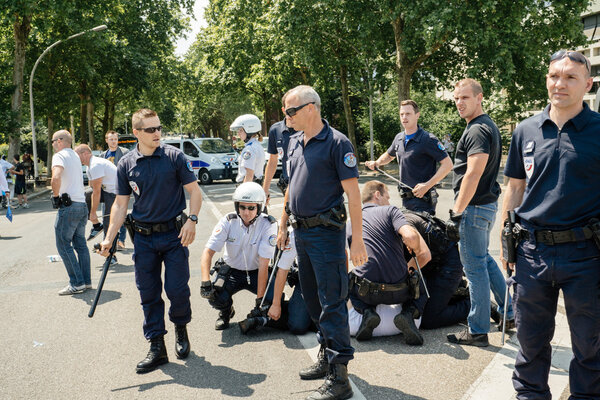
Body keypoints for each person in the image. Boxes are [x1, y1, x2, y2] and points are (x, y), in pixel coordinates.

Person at [501, 50, 600, 400]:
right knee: (530, 342)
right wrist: (506, 239)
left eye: (571, 77)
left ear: (587, 84)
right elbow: (515, 186)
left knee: (590, 346)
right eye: (554, 76)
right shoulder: (525, 129)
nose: (560, 83)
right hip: (532, 253)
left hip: (586, 255)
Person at [277, 85, 368, 400]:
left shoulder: (336, 143)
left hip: (327, 234)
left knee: (332, 302)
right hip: (301, 232)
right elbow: (290, 188)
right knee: (314, 302)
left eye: (291, 111)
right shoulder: (293, 142)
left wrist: (356, 240)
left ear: (311, 107)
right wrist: (282, 224)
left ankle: (339, 377)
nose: (286, 118)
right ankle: (325, 354)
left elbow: (354, 197)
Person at [98, 108, 202, 374]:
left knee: (177, 289)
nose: (157, 133)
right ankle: (157, 346)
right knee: (148, 293)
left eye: (159, 128)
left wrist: (192, 219)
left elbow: (194, 192)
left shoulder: (174, 157)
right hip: (143, 239)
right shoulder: (126, 164)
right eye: (151, 129)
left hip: (174, 235)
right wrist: (109, 238)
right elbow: (121, 206)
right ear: (136, 133)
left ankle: (180, 328)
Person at [446, 78, 513, 347]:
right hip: (484, 205)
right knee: (483, 261)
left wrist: (456, 211)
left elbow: (472, 174)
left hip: (473, 208)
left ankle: (477, 330)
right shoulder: (487, 127)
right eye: (456, 98)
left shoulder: (477, 130)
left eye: (465, 97)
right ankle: (510, 314)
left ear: (479, 97)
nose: (459, 103)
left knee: (474, 269)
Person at [200, 182, 301, 331]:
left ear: (259, 207)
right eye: (242, 207)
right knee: (215, 296)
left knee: (273, 298)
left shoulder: (268, 224)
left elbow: (263, 266)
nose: (246, 212)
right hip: (232, 271)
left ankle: (262, 316)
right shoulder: (228, 221)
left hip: (256, 272)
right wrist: (205, 282)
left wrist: (259, 301)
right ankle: (226, 312)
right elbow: (207, 252)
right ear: (237, 206)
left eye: (251, 208)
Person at [347, 180, 431, 345]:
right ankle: (408, 313)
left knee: (350, 278)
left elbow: (344, 256)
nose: (389, 201)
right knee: (421, 281)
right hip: (399, 289)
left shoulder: (351, 221)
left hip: (366, 292)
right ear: (377, 195)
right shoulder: (390, 211)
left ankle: (367, 312)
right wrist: (411, 246)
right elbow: (411, 237)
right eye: (387, 196)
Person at [365, 99, 453, 215]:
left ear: (417, 115)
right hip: (405, 200)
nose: (404, 117)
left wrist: (427, 185)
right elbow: (389, 155)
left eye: (408, 114)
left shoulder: (428, 139)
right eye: (401, 114)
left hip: (423, 201)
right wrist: (377, 163)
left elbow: (448, 165)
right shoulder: (399, 138)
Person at [402, 209, 470, 329]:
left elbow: (423, 256)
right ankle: (454, 293)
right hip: (431, 264)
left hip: (448, 263)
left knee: (428, 318)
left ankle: (475, 304)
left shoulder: (405, 226)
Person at [50, 130, 91, 295]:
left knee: (63, 243)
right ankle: (86, 281)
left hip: (69, 205)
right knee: (80, 244)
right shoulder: (75, 156)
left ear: (59, 141)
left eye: (53, 141)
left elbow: (56, 177)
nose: (52, 144)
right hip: (82, 204)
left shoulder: (59, 156)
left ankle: (76, 282)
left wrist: (55, 197)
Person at [74, 144, 119, 264]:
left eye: (76, 155)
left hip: (115, 194)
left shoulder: (95, 165)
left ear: (85, 154)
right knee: (84, 195)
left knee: (109, 224)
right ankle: (96, 225)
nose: (75, 158)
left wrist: (93, 213)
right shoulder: (89, 167)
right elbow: (91, 190)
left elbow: (97, 192)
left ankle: (111, 255)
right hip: (107, 191)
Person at [263, 89, 295, 200]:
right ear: (283, 110)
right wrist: (265, 189)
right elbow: (272, 160)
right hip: (287, 185)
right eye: (289, 109)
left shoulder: (306, 129)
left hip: (306, 186)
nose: (293, 113)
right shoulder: (275, 130)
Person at [101, 130, 129, 250]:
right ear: (106, 140)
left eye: (115, 139)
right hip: (107, 190)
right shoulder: (103, 155)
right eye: (111, 139)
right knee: (107, 216)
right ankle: (107, 241)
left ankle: (121, 240)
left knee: (120, 215)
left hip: (120, 189)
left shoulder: (124, 153)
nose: (114, 141)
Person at [231, 114, 265, 185]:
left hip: (249, 186)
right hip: (255, 186)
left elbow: (249, 174)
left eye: (241, 130)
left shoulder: (249, 149)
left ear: (249, 130)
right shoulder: (257, 145)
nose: (238, 133)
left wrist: (244, 192)